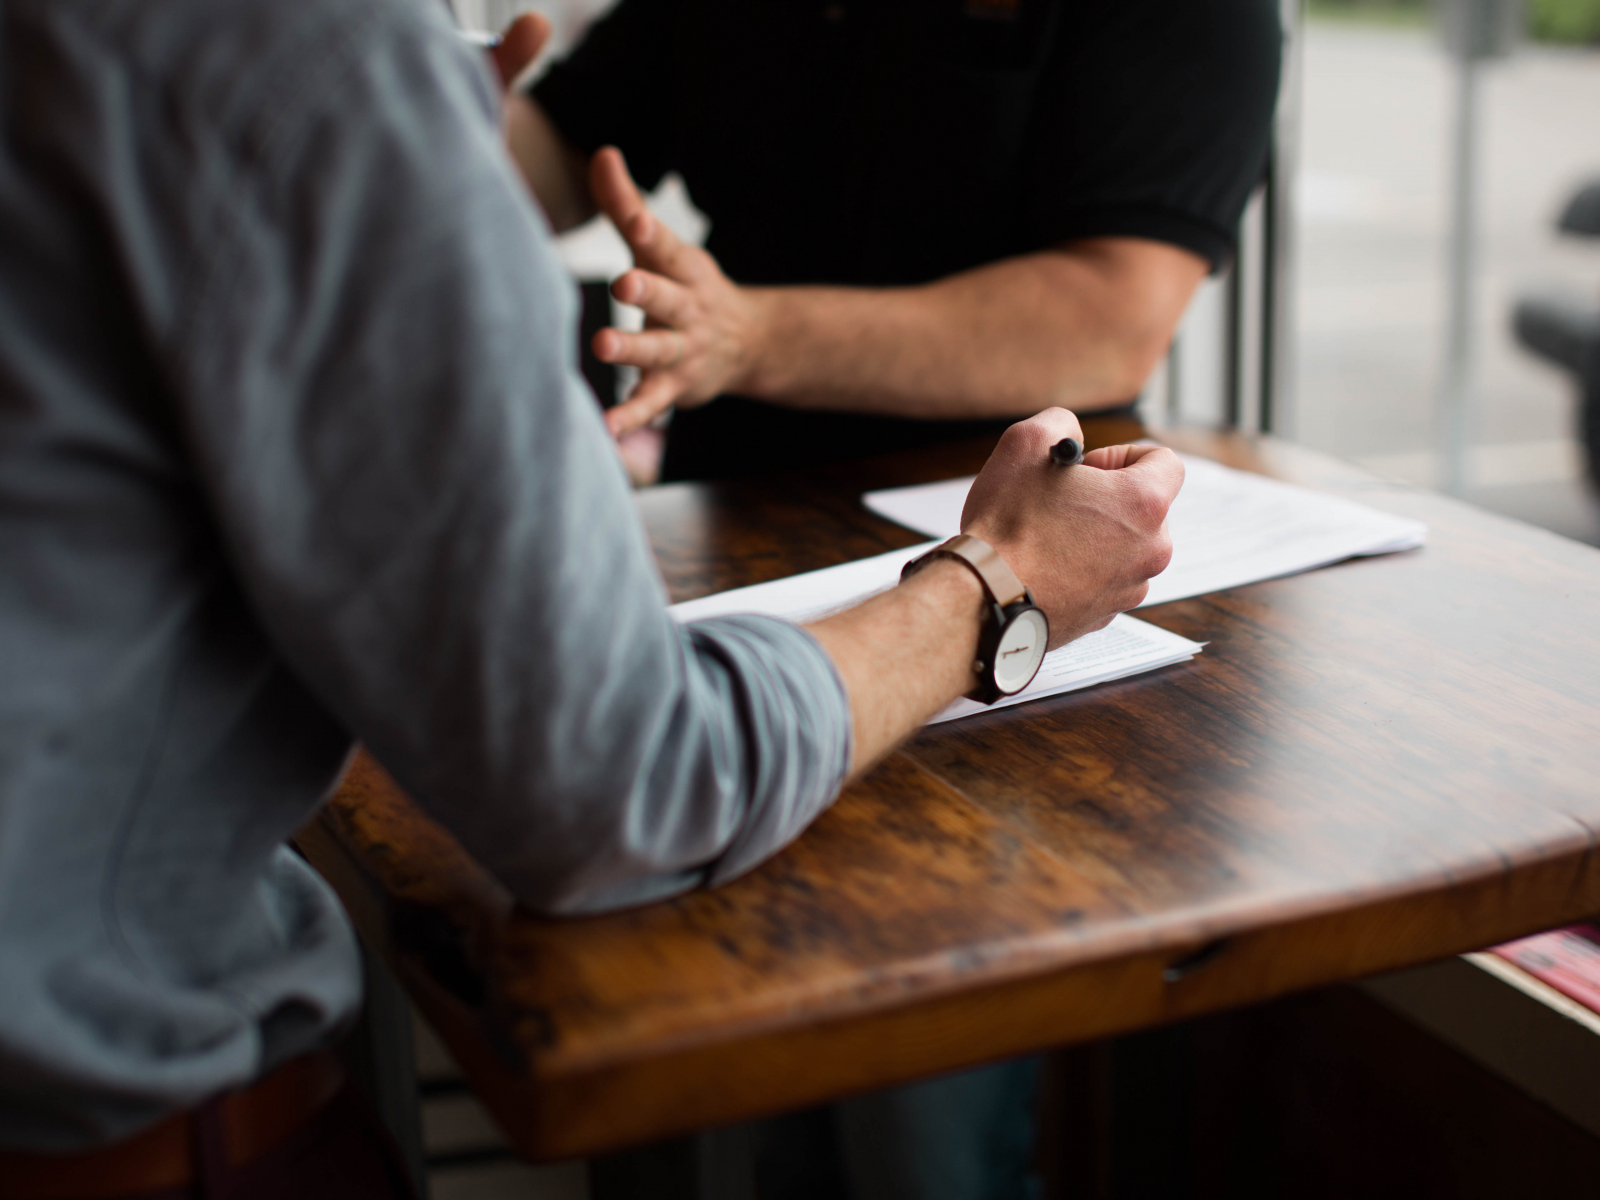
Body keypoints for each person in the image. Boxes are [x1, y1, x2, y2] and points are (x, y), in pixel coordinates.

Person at [0, 0, 1182, 1195]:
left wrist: (413, 151)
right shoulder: (304, 55)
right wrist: (999, 583)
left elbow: (1117, 313)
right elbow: (623, 780)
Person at [504, 0, 1283, 481]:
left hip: (1003, 531)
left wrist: (747, 337)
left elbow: (1110, 320)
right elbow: (571, 146)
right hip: (726, 503)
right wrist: (428, 130)